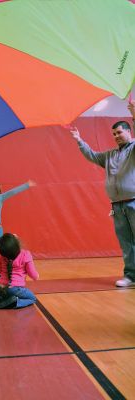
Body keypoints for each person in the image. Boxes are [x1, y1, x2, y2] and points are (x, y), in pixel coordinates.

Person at [69, 100, 135, 288]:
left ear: (128, 131)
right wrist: (79, 140)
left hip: (134, 201)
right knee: (127, 243)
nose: (116, 136)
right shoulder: (109, 155)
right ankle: (131, 276)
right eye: (114, 134)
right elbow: (92, 155)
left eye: (119, 132)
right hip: (117, 205)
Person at [0, 233, 39, 309]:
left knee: (6, 293)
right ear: (16, 245)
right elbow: (33, 274)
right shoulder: (25, 255)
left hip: (1, 286)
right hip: (15, 289)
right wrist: (36, 276)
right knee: (33, 298)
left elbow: (0, 270)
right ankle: (16, 302)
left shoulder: (3, 257)